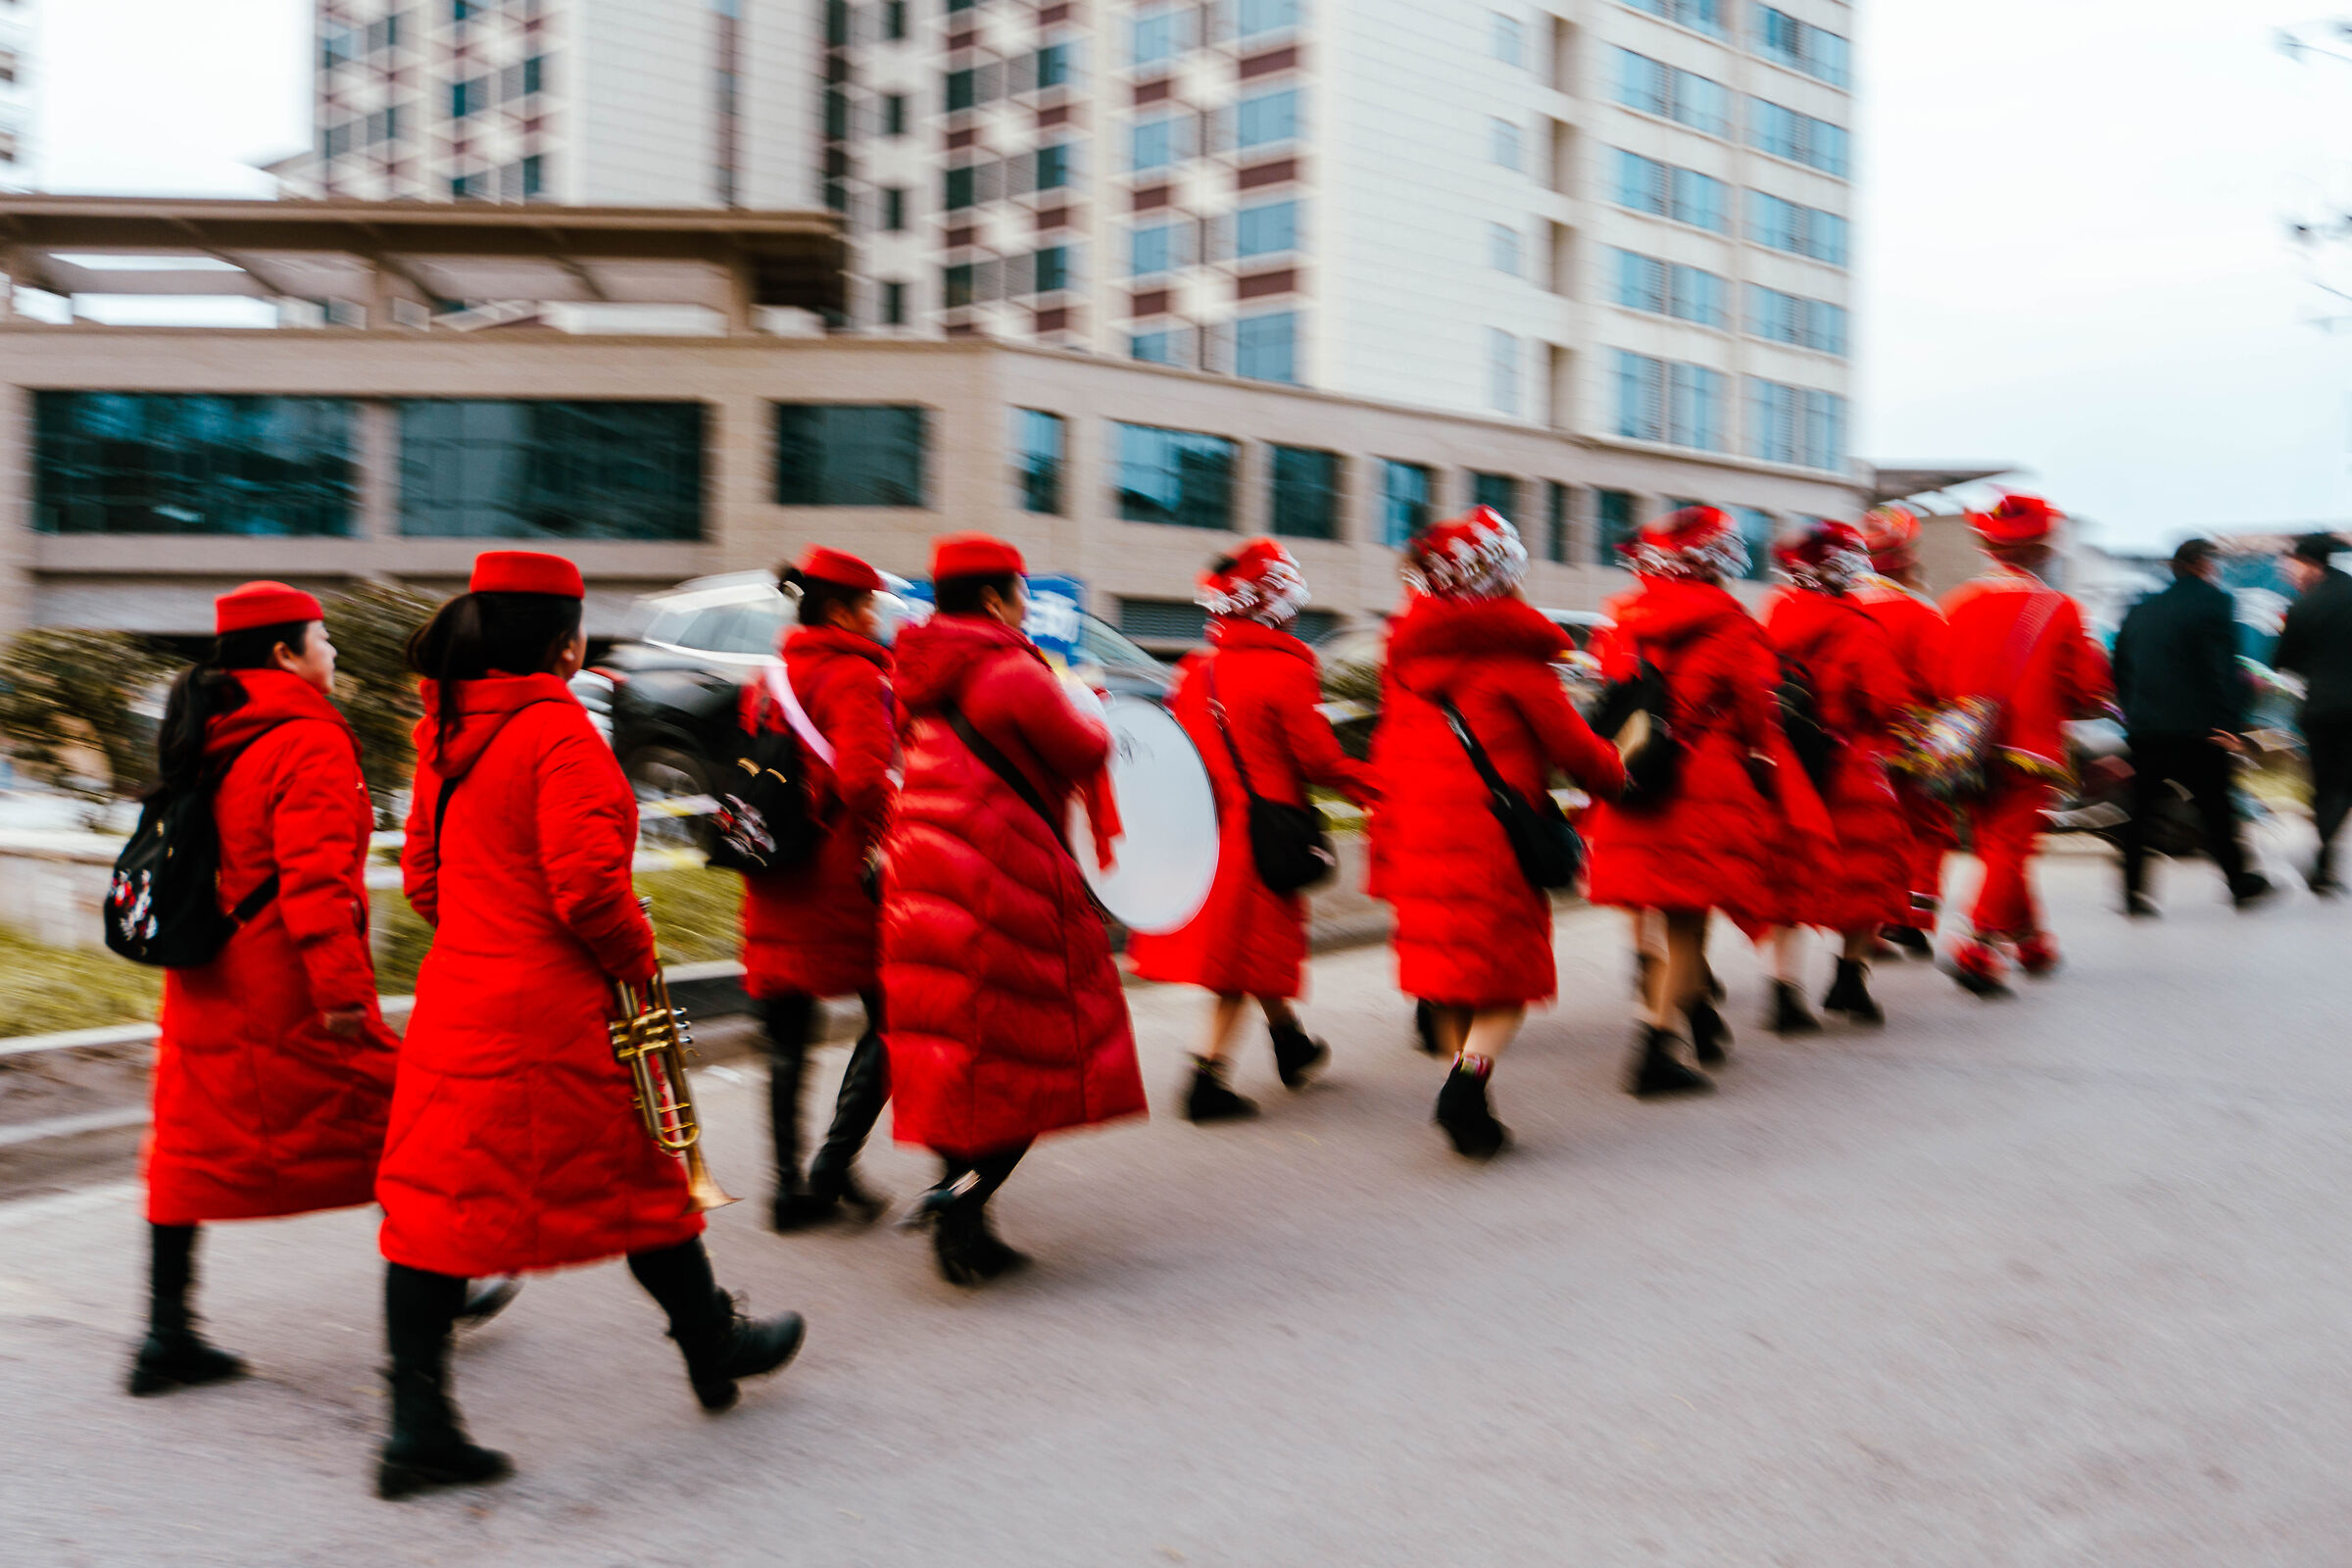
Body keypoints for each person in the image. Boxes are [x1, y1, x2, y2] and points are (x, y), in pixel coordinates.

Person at [375, 551, 803, 1499]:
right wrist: (635, 959)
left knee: (434, 1206)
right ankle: (714, 1346)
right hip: (562, 1005)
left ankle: (417, 1426)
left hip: (459, 999)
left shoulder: (444, 730)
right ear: (563, 643)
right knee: (645, 1174)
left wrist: (489, 935)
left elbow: (423, 880)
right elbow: (589, 890)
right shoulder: (557, 733)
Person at [129, 582, 401, 1396]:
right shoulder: (308, 740)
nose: (334, 652)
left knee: (185, 1143)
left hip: (206, 971)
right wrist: (346, 995)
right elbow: (319, 887)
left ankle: (165, 1335)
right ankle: (440, 1289)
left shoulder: (211, 731)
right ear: (284, 654)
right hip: (286, 979)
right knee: (409, 1116)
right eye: (323, 639)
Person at [882, 532, 1147, 1284]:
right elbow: (1086, 751)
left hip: (925, 875)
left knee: (958, 1050)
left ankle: (965, 1221)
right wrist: (1087, 700)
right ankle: (962, 1198)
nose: (1028, 608)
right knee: (1047, 1045)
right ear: (997, 600)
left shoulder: (920, 669)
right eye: (1022, 594)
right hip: (1003, 878)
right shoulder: (1010, 671)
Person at [1371, 508, 1624, 1155]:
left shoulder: (1404, 665)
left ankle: (1470, 1097)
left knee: (1452, 979)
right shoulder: (1517, 665)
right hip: (1493, 844)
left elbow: (1388, 754)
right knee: (1507, 984)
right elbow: (1579, 753)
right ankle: (1467, 1083)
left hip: (1421, 839)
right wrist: (1619, 772)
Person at [1128, 540, 1381, 1121]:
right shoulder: (1286, 668)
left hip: (1211, 829)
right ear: (1272, 604)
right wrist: (1380, 787)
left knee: (1251, 949)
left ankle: (1291, 1044)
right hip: (1265, 832)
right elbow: (1319, 761)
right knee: (1239, 962)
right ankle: (1206, 1078)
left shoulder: (1196, 672)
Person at [1585, 506, 1829, 1095]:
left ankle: (1695, 1015)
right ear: (1719, 564)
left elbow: (1608, 692)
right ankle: (1655, 1047)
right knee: (1688, 923)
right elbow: (1754, 715)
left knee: (1651, 908)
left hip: (1638, 776)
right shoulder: (1734, 627)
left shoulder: (1627, 619)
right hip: (1704, 789)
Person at [740, 545, 898, 1228]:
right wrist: (893, 832)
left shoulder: (765, 676)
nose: (875, 619)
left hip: (772, 871)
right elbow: (864, 780)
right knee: (894, 1015)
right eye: (868, 606)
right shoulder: (854, 679)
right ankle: (834, 1164)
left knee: (785, 1038)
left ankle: (786, 1190)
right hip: (839, 878)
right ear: (840, 610)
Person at [1938, 497, 2114, 995]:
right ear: (2041, 551)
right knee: (2009, 848)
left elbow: (1936, 677)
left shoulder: (1957, 603)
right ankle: (1975, 946)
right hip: (2029, 749)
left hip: (1964, 746)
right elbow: (2088, 687)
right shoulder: (2060, 609)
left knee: (1997, 847)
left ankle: (2032, 941)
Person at [1755, 520, 1919, 1029]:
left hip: (1789, 768)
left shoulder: (1773, 617)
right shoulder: (1859, 626)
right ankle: (1850, 980)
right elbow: (1890, 702)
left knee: (1789, 876)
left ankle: (1784, 991)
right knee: (1865, 873)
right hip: (1850, 767)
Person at [2111, 537, 2267, 914]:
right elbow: (2222, 670)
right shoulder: (2215, 603)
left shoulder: (2141, 609)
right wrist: (2230, 724)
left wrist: (2134, 714)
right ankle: (2240, 882)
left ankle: (2133, 892)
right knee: (2216, 808)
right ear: (2202, 563)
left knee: (2142, 811)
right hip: (2199, 729)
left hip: (2147, 730)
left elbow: (2120, 668)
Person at [1853, 506, 1955, 956]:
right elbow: (1944, 685)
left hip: (1853, 742)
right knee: (1928, 828)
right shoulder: (1923, 614)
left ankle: (1862, 917)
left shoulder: (1842, 605)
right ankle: (1911, 917)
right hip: (1913, 737)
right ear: (1909, 557)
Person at [2273, 531, 2352, 895]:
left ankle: (2323, 860)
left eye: (2296, 563)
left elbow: (2283, 662)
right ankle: (2323, 861)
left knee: (2324, 784)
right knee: (2343, 785)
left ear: (2311, 564)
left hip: (2318, 708)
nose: (2291, 571)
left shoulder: (2303, 606)